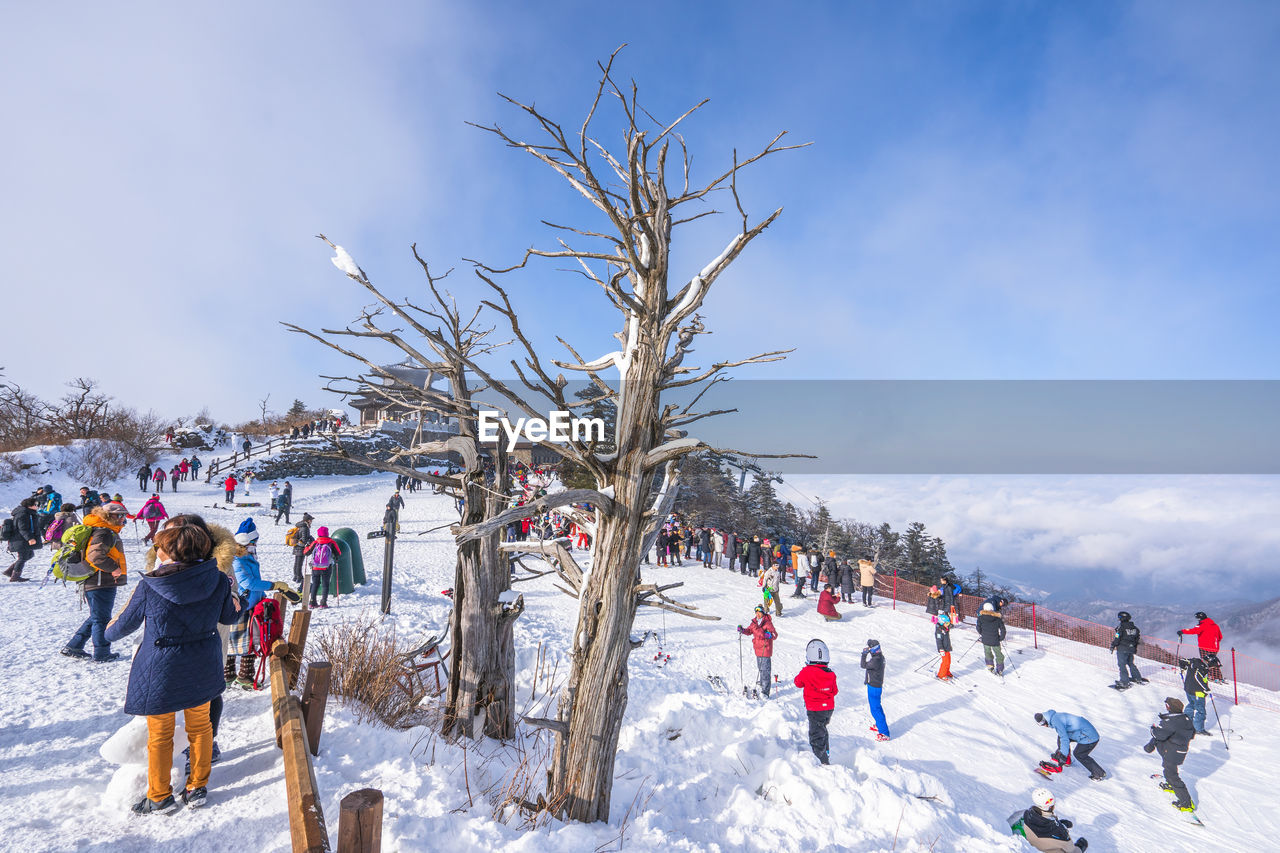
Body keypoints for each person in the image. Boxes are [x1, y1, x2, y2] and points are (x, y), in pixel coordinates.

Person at [103, 522, 238, 813]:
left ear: (171, 552)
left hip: (161, 668)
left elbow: (119, 629)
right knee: (201, 729)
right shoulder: (217, 580)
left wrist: (107, 629)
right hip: (203, 663)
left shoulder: (151, 585)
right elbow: (230, 616)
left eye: (160, 547)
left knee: (160, 735)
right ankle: (197, 787)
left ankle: (159, 795)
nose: (157, 551)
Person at [228, 519, 295, 687]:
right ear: (246, 542)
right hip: (240, 607)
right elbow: (248, 583)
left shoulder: (247, 556)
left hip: (250, 605)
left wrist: (263, 596)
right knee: (236, 643)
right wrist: (273, 585)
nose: (256, 545)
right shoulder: (236, 560)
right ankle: (229, 675)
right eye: (254, 542)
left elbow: (254, 583)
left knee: (250, 642)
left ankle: (244, 675)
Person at [61, 503, 131, 661]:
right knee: (101, 618)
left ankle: (74, 645)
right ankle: (102, 653)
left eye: (123, 515)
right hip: (100, 581)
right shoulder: (104, 532)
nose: (122, 518)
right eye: (118, 515)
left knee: (97, 616)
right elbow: (95, 556)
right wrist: (114, 568)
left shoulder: (99, 529)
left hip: (94, 580)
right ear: (107, 516)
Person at [1145, 697, 1196, 813]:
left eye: (1167, 705)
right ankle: (1170, 785)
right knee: (1169, 768)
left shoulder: (1170, 721)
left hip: (1172, 752)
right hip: (1178, 750)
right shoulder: (1185, 718)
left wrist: (1153, 729)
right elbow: (1192, 734)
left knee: (1172, 775)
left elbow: (1158, 735)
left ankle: (1186, 803)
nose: (1166, 707)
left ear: (1170, 707)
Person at [794, 639, 838, 764]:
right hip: (828, 709)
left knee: (816, 735)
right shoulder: (831, 673)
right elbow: (834, 691)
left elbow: (798, 682)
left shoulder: (807, 671)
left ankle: (821, 760)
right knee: (822, 728)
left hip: (815, 709)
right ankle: (826, 751)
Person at [1010, 788, 1089, 853]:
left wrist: (1060, 824)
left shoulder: (1028, 814)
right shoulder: (1060, 833)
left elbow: (1044, 827)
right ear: (1051, 807)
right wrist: (1080, 847)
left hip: (1035, 844)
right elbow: (1071, 850)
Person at [1034, 710, 1106, 780]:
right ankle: (1066, 760)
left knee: (1079, 754)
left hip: (1089, 737)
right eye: (1040, 724)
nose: (1043, 725)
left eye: (1042, 723)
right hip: (1082, 732)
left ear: (1045, 719)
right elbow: (1063, 737)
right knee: (1061, 739)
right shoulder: (1054, 717)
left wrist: (1063, 755)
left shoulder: (1056, 721)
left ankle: (1099, 774)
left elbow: (1064, 738)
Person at [738, 604, 777, 698]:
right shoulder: (754, 623)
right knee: (760, 668)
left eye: (759, 612)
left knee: (765, 670)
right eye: (756, 612)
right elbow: (749, 631)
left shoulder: (767, 623)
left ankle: (765, 691)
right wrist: (742, 630)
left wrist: (770, 635)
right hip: (757, 649)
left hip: (765, 649)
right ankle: (761, 682)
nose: (757, 614)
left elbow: (775, 635)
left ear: (763, 613)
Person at [304, 525, 343, 609]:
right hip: (326, 567)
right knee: (325, 585)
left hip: (315, 567)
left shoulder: (315, 542)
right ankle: (323, 603)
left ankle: (312, 602)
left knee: (315, 584)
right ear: (327, 533)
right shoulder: (331, 542)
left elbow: (306, 552)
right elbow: (338, 553)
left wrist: (306, 546)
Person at [1178, 612, 1224, 682]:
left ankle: (1211, 676)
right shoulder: (1215, 625)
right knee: (1213, 661)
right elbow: (1220, 637)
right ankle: (1219, 678)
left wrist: (1182, 631)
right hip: (1215, 647)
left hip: (1204, 647)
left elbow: (1193, 631)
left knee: (1206, 662)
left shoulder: (1201, 625)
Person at [1108, 611, 1147, 690]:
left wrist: (1113, 645)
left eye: (1119, 618)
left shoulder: (1121, 627)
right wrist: (1134, 648)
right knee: (1130, 663)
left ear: (1122, 618)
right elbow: (1137, 639)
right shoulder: (1135, 628)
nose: (1119, 619)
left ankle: (1124, 682)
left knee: (1122, 665)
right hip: (1131, 648)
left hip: (1122, 648)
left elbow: (1117, 638)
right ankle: (1137, 678)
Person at [4, 497, 40, 582]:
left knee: (29, 555)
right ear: (29, 506)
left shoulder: (28, 513)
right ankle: (15, 576)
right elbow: (23, 528)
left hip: (22, 539)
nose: (37, 506)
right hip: (20, 539)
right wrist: (30, 538)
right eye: (35, 505)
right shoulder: (23, 514)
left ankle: (9, 571)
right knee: (23, 557)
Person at [861, 639, 890, 741]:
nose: (868, 649)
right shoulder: (879, 657)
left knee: (875, 710)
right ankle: (879, 725)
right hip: (874, 685)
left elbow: (863, 665)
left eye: (870, 647)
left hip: (874, 687)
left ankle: (884, 733)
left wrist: (864, 654)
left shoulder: (876, 660)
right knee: (876, 708)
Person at [1177, 656, 1211, 735]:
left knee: (1191, 704)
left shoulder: (1193, 661)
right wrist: (1206, 688)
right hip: (1198, 692)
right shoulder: (1203, 667)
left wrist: (1183, 668)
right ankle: (1198, 729)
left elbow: (1182, 660)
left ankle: (1186, 724)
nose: (1211, 668)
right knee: (1200, 710)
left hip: (1188, 688)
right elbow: (1197, 677)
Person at [978, 601, 1007, 676]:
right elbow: (1003, 629)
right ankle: (1000, 669)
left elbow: (978, 628)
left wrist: (982, 634)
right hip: (995, 640)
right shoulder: (997, 619)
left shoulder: (980, 618)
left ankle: (990, 666)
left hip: (985, 639)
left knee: (988, 652)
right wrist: (1001, 638)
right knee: (999, 654)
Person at [935, 612, 953, 680]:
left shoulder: (945, 628)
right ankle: (941, 674)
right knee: (945, 662)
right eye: (947, 623)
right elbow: (938, 641)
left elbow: (951, 626)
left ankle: (947, 672)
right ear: (942, 623)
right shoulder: (939, 631)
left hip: (947, 647)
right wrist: (941, 649)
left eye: (948, 623)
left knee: (948, 661)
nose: (948, 625)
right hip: (943, 649)